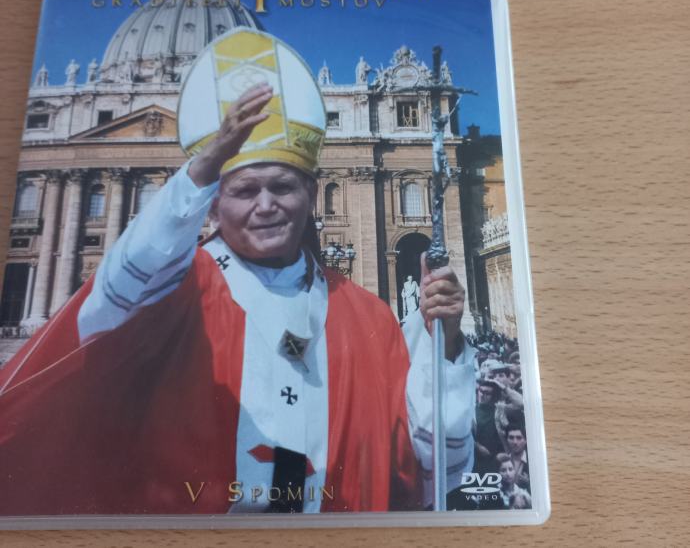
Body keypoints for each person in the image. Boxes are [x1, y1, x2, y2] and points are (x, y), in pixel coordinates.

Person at [0, 79, 475, 515]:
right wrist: (199, 170)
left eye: (283, 187)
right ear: (211, 203)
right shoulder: (169, 295)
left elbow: (428, 471)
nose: (266, 206)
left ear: (313, 194)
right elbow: (111, 297)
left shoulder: (367, 315)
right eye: (245, 190)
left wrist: (446, 346)